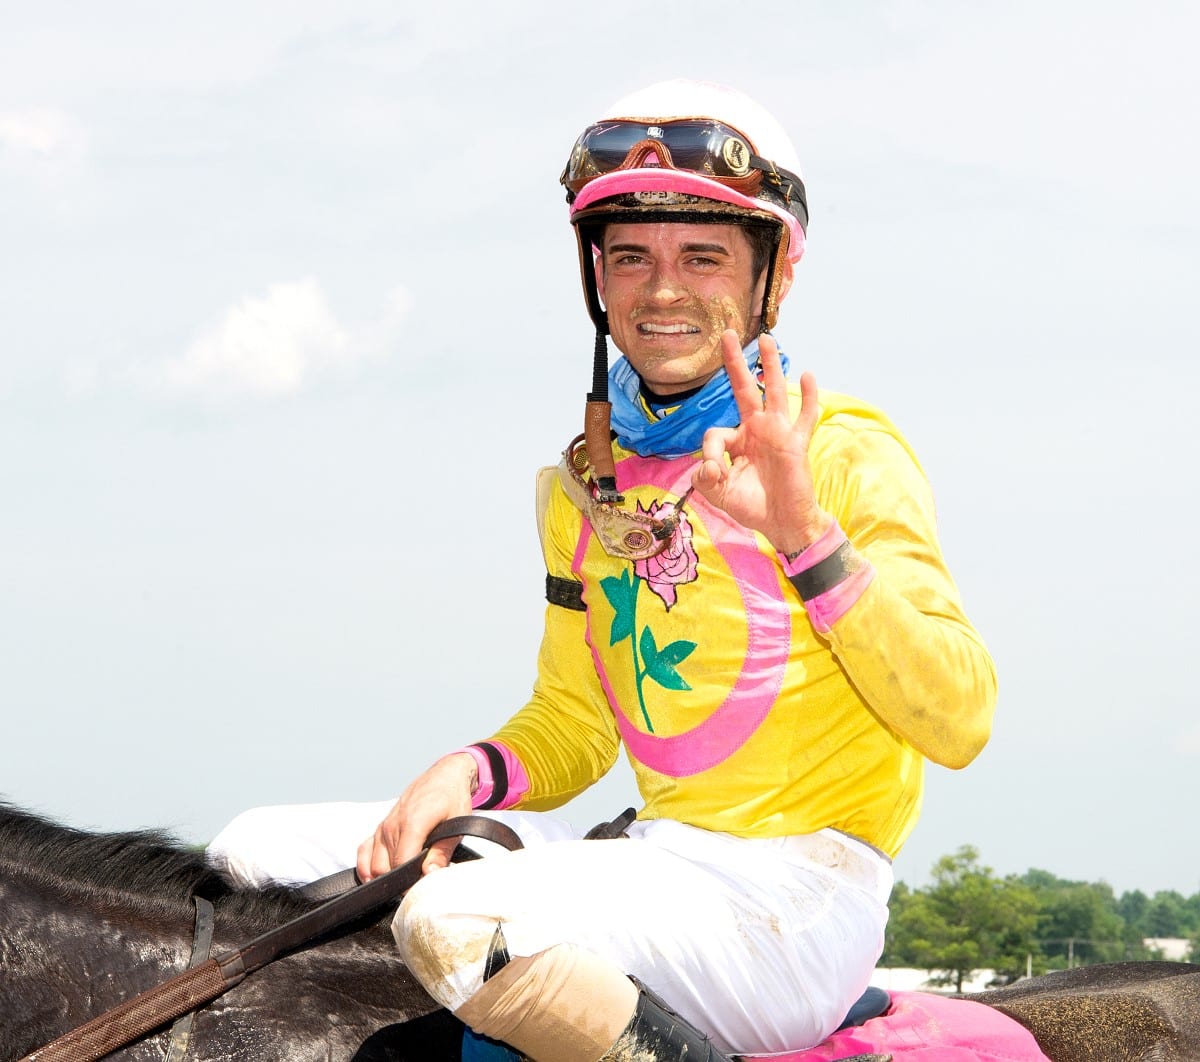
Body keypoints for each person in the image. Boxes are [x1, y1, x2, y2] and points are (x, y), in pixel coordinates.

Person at [207, 79, 997, 1061]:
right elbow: (577, 726)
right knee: (245, 854)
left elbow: (962, 720)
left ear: (773, 279)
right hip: (655, 862)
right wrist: (466, 773)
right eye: (631, 257)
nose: (662, 291)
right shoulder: (584, 488)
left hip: (797, 902)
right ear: (597, 276)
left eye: (702, 257)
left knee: (456, 923)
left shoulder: (843, 454)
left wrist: (803, 534)